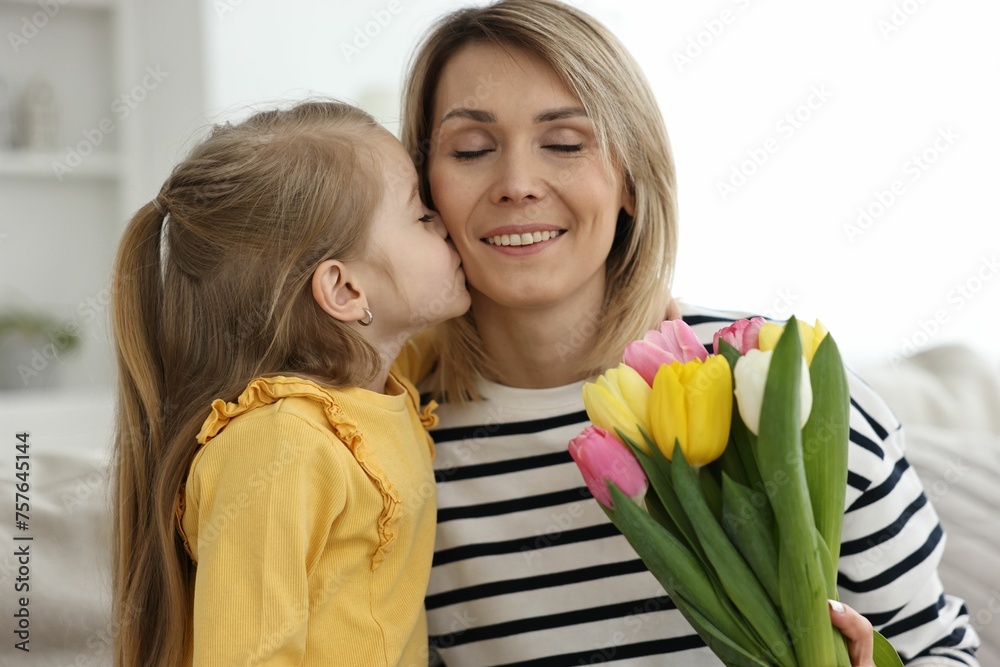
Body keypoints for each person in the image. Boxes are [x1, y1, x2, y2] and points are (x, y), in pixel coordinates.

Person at [397, 1, 981, 665]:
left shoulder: (777, 386)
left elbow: (940, 649)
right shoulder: (395, 448)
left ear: (630, 179)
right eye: (471, 149)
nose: (517, 184)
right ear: (423, 189)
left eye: (564, 143)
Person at [109, 100, 470, 666]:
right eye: (422, 215)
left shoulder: (367, 395)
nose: (448, 221)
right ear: (346, 291)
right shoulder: (279, 446)